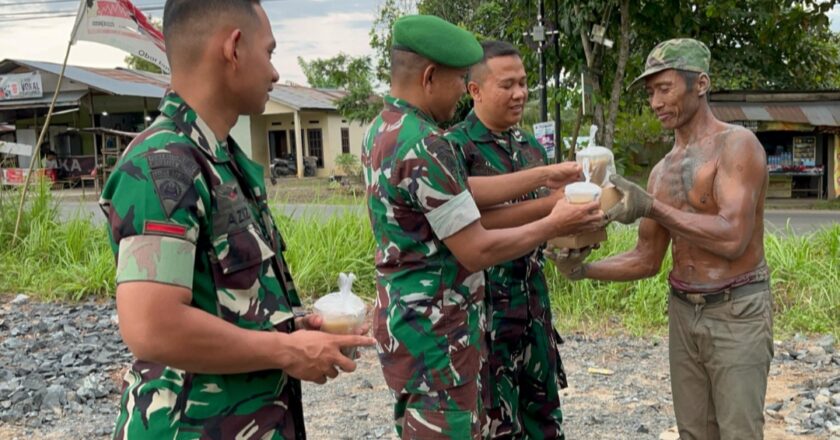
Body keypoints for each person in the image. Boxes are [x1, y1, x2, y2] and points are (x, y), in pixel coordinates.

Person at [99, 1, 375, 438]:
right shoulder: (163, 162)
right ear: (234, 48)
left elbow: (224, 303)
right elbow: (152, 326)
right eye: (269, 53)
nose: (274, 73)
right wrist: (286, 350)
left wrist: (292, 328)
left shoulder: (221, 160)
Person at [362, 15, 604, 440]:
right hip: (439, 337)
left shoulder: (384, 130)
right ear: (431, 76)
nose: (462, 92)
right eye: (460, 80)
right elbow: (477, 248)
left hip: (411, 327)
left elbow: (460, 192)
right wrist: (554, 220)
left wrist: (543, 177)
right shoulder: (429, 143)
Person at [550, 38, 772, 440]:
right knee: (693, 432)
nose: (655, 102)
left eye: (664, 88)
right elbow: (646, 259)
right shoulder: (661, 171)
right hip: (685, 312)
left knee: (739, 432)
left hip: (736, 310)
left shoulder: (737, 145)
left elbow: (732, 238)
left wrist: (652, 207)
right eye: (651, 92)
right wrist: (582, 269)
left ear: (700, 84)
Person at [446, 40, 571, 439]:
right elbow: (474, 219)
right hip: (486, 318)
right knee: (495, 426)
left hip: (533, 309)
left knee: (544, 422)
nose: (519, 94)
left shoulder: (531, 148)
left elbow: (547, 223)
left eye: (523, 83)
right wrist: (551, 207)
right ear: (475, 90)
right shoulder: (454, 148)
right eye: (507, 85)